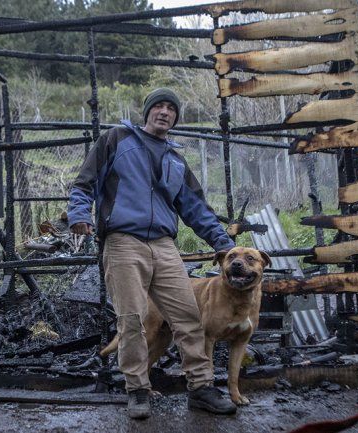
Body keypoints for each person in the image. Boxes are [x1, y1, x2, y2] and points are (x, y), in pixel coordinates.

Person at [67, 88, 237, 419]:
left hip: (163, 244)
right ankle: (137, 390)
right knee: (132, 319)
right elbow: (85, 182)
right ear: (147, 112)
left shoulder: (176, 160)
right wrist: (78, 213)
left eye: (171, 108)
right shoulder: (117, 139)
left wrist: (223, 243)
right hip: (123, 241)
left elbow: (196, 208)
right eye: (158, 106)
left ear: (175, 117)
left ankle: (201, 388)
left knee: (188, 315)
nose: (164, 112)